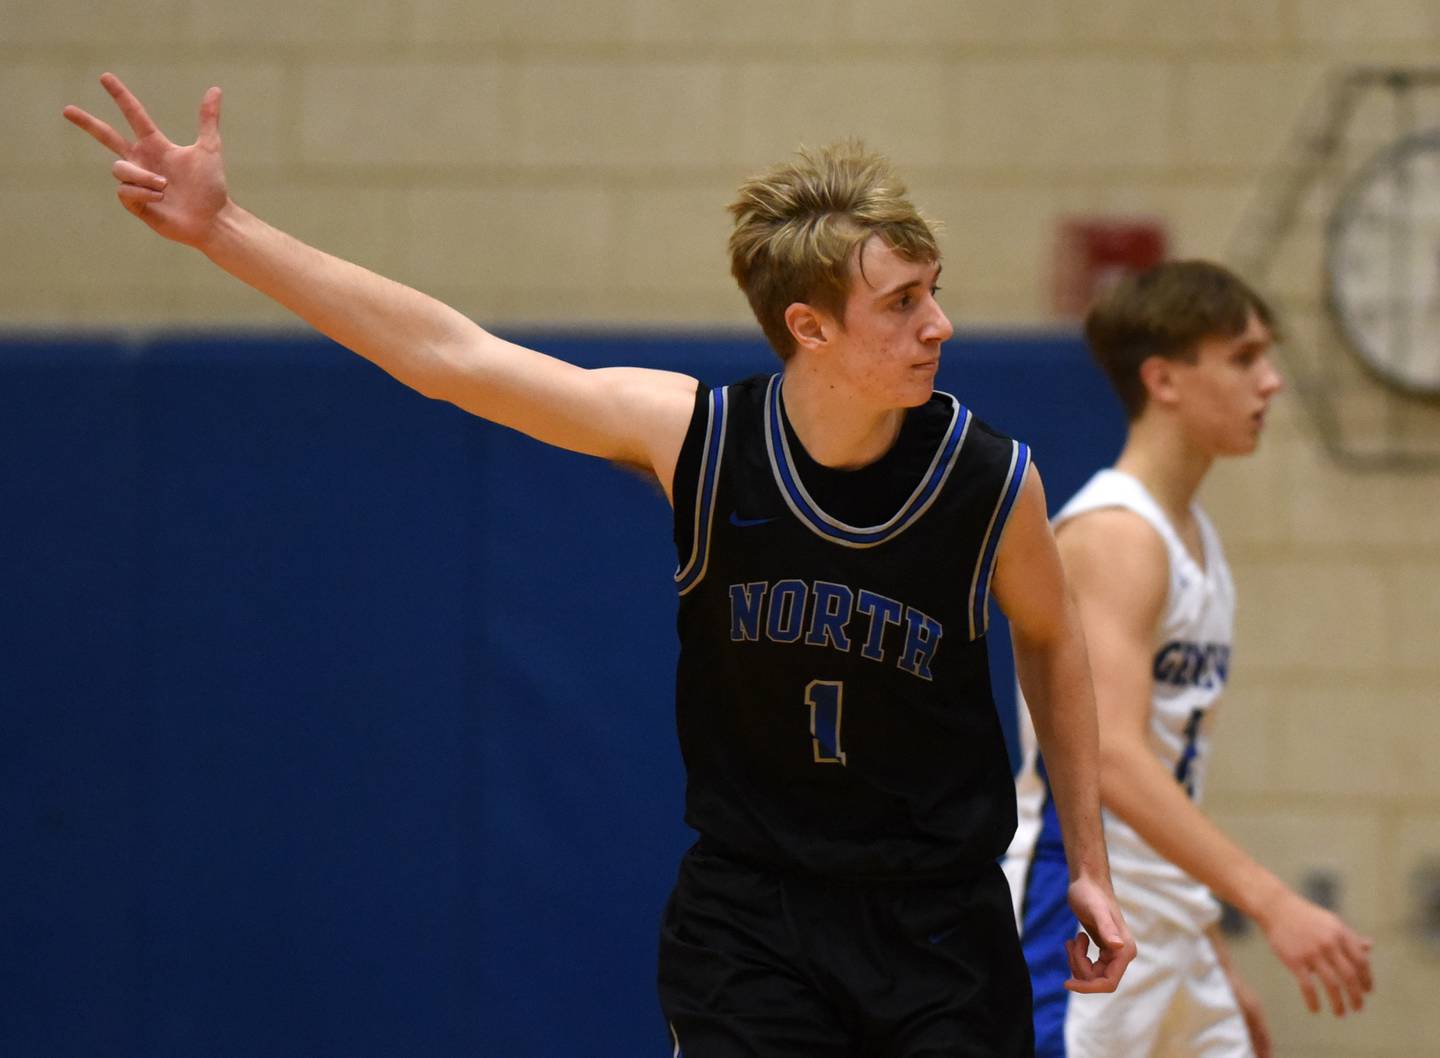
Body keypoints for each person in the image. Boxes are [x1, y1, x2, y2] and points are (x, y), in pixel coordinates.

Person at [65, 72, 1135, 1057]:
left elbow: (1050, 634)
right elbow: (451, 358)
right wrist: (224, 230)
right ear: (808, 326)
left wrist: (1085, 858)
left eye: (933, 290)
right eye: (902, 302)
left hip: (938, 921)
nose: (937, 323)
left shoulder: (991, 480)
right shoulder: (695, 438)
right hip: (752, 916)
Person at [1002, 260, 1375, 1058]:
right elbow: (1108, 757)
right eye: (1243, 358)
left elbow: (1170, 772)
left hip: (1168, 919)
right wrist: (1274, 904)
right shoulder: (1115, 535)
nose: (1271, 382)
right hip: (1079, 908)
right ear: (1164, 379)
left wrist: (1209, 944)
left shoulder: (1192, 538)